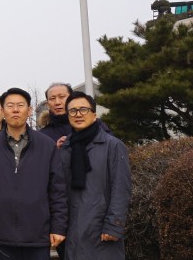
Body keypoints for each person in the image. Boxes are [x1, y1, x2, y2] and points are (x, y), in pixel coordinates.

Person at [0, 88, 67, 260]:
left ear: (30, 110)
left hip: (38, 234)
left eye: (20, 105)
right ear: (3, 111)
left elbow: (58, 190)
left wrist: (58, 227)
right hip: (1, 233)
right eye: (10, 106)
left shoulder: (46, 145)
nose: (15, 110)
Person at [60, 92, 131, 260]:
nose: (78, 114)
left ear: (94, 114)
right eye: (72, 111)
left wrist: (114, 226)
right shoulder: (65, 148)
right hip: (71, 231)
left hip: (100, 228)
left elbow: (121, 187)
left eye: (83, 109)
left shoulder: (112, 145)